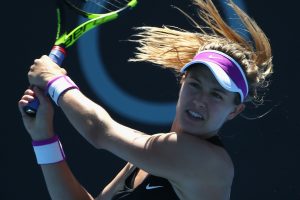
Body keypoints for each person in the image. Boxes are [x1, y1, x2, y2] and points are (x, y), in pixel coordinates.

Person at [18, 0, 273, 199]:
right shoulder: (145, 160)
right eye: (195, 84)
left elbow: (99, 130)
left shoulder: (210, 165)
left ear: (234, 111)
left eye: (217, 95)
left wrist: (54, 80)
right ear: (181, 82)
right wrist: (43, 137)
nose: (200, 100)